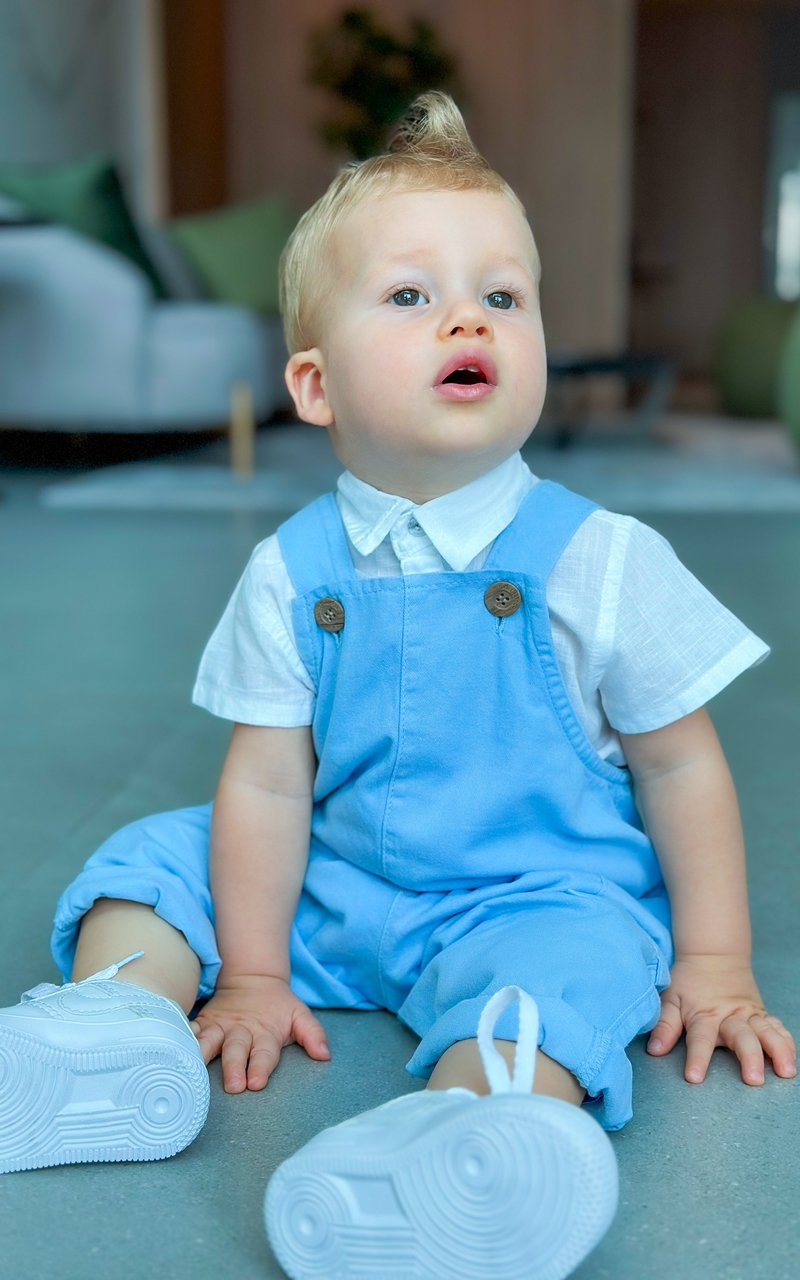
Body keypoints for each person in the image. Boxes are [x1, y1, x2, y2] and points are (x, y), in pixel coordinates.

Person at [0, 94, 795, 1279]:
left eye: (502, 294)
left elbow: (679, 760)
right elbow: (269, 784)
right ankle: (117, 1021)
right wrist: (256, 973)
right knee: (157, 856)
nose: (466, 314)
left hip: (531, 889)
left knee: (572, 966)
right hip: (334, 885)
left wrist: (716, 959)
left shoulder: (601, 556)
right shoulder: (289, 572)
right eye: (411, 295)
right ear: (314, 387)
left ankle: (475, 1130)